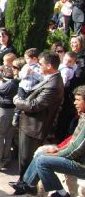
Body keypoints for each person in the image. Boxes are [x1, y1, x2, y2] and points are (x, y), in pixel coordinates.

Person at [11, 85, 85, 197]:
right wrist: (58, 149)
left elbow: (76, 149)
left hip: (81, 165)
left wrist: (57, 154)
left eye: (78, 100)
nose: (75, 103)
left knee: (43, 161)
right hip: (77, 160)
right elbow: (73, 142)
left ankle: (62, 195)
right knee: (41, 153)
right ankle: (27, 185)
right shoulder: (83, 116)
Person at [13, 51, 64, 183]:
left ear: (49, 66)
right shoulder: (50, 78)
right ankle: (22, 182)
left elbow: (35, 105)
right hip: (29, 124)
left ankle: (25, 185)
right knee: (24, 157)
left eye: (40, 64)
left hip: (34, 127)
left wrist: (18, 101)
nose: (38, 66)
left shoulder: (53, 84)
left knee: (27, 158)